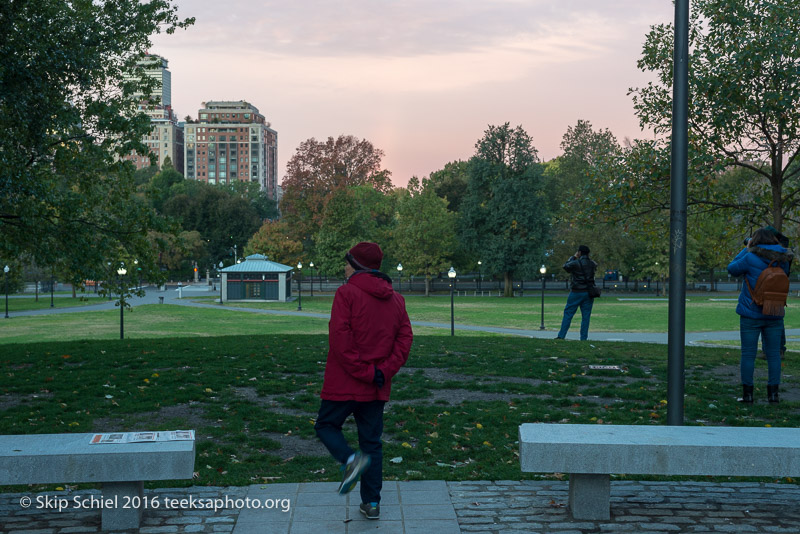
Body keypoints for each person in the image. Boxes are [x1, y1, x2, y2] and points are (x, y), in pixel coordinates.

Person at [314, 242, 413, 520]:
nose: (344, 267)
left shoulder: (346, 293)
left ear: (357, 265)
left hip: (345, 382)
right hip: (376, 384)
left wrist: (365, 372)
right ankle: (371, 503)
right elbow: (404, 340)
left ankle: (350, 460)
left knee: (325, 425)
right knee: (372, 443)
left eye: (348, 262)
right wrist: (383, 371)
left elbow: (339, 340)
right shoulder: (396, 300)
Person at [727, 228, 792, 404]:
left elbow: (731, 268)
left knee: (748, 354)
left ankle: (748, 395)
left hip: (751, 312)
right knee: (773, 355)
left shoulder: (749, 257)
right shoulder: (784, 259)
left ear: (754, 241)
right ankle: (773, 395)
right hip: (774, 312)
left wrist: (746, 248)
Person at [555, 245, 598, 341]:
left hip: (576, 292)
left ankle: (561, 335)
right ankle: (583, 338)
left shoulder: (575, 263)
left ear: (579, 252)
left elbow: (565, 266)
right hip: (588, 293)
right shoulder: (592, 264)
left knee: (568, 314)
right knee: (586, 317)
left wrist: (573, 257)